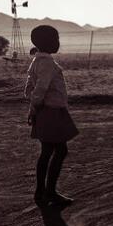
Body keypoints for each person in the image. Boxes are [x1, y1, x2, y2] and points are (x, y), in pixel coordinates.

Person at [26, 25, 79, 206]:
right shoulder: (47, 63)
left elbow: (29, 89)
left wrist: (33, 109)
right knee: (59, 150)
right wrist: (35, 107)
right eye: (55, 39)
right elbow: (40, 88)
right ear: (47, 42)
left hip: (44, 111)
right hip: (52, 111)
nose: (58, 42)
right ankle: (49, 192)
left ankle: (41, 192)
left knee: (47, 152)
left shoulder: (35, 62)